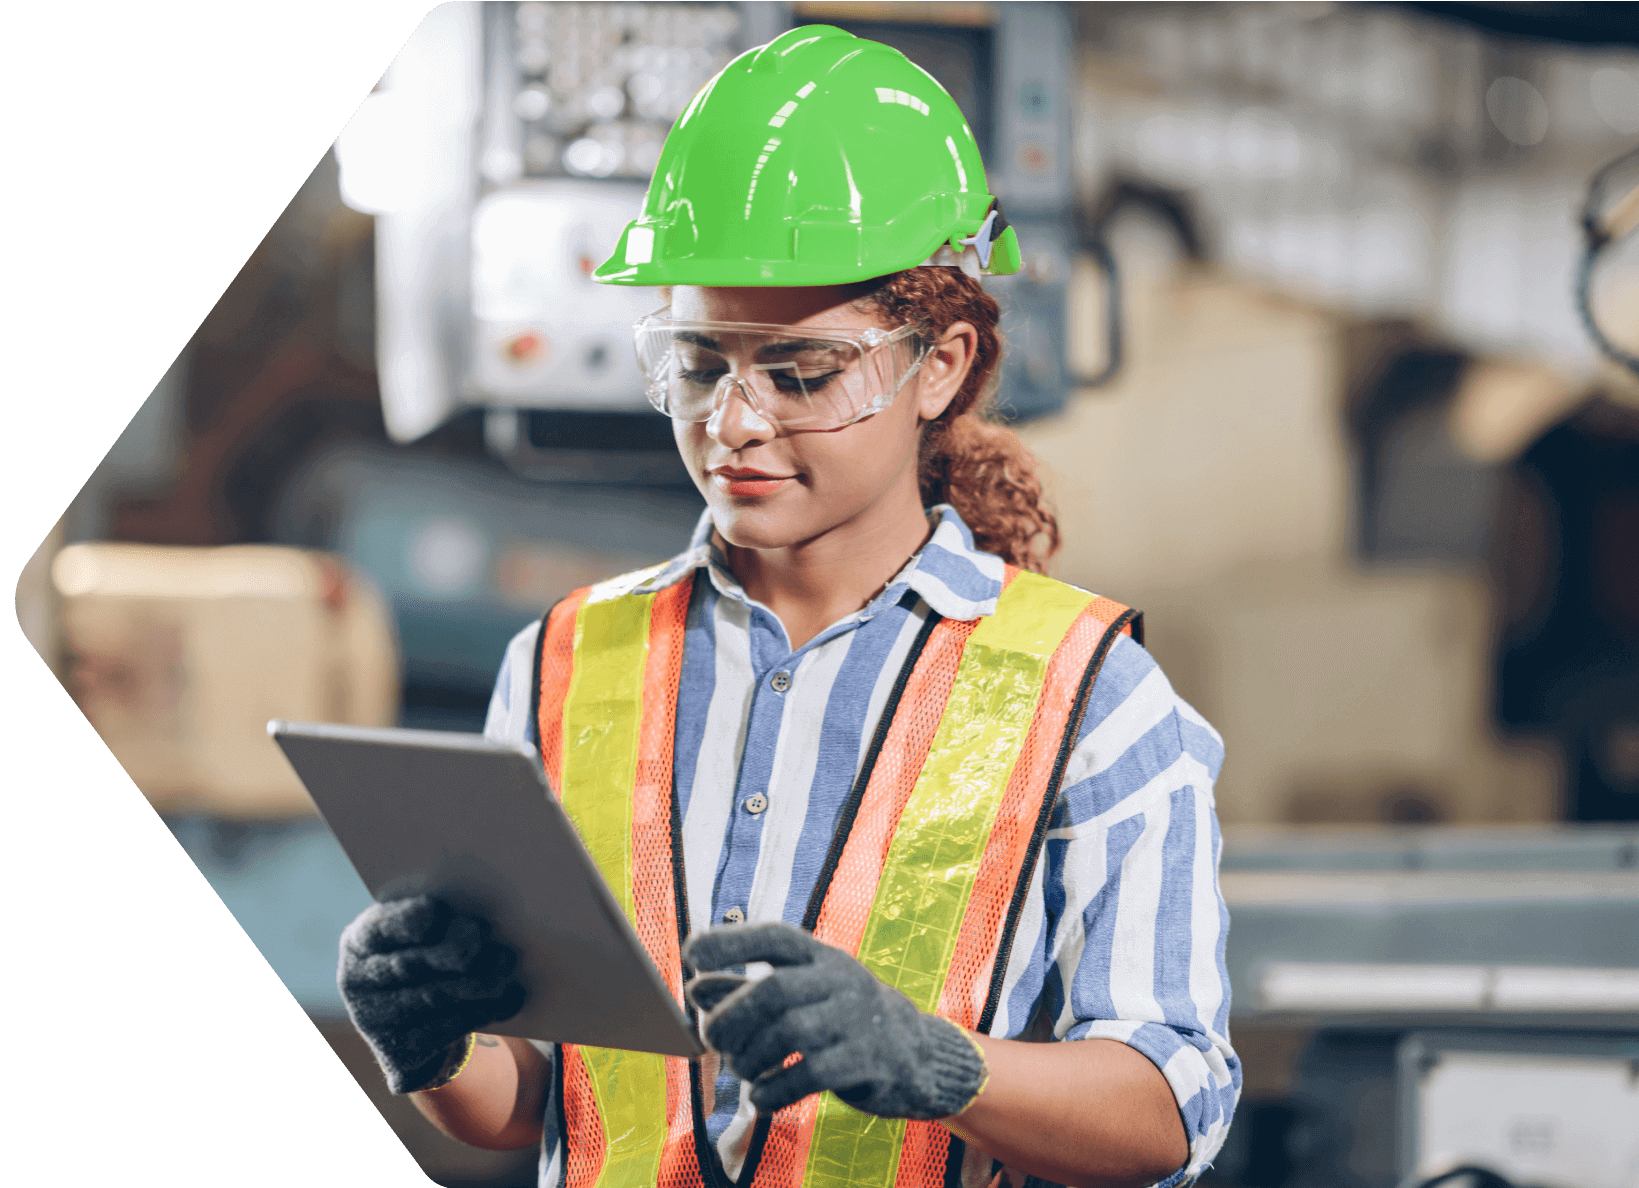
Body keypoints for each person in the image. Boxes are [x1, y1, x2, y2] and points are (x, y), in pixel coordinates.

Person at [337, 26, 1237, 1188]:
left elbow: (1173, 1109)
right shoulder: (565, 661)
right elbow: (539, 1103)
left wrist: (944, 1067)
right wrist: (432, 1040)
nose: (735, 423)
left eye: (800, 373)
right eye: (701, 363)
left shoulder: (1087, 693)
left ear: (943, 363)